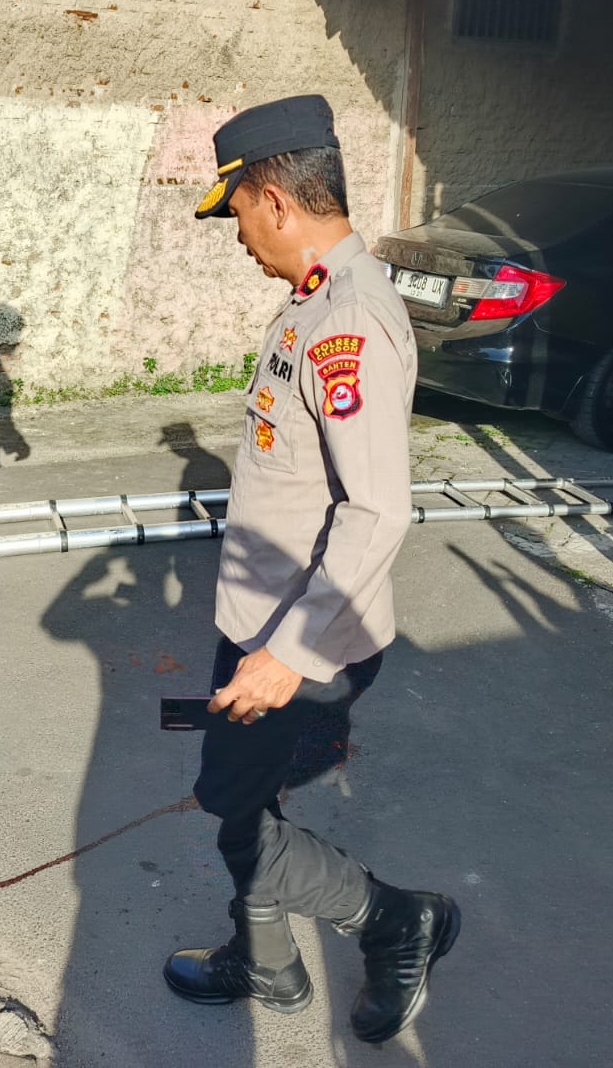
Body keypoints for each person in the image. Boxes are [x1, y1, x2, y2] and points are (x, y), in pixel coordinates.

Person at [163, 96, 459, 1044]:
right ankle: (269, 963)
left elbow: (377, 510)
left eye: (239, 213)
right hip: (265, 618)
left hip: (300, 635)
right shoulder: (316, 301)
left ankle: (397, 920)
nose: (238, 235)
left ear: (276, 201)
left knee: (234, 808)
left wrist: (287, 654)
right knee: (246, 800)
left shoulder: (349, 321)